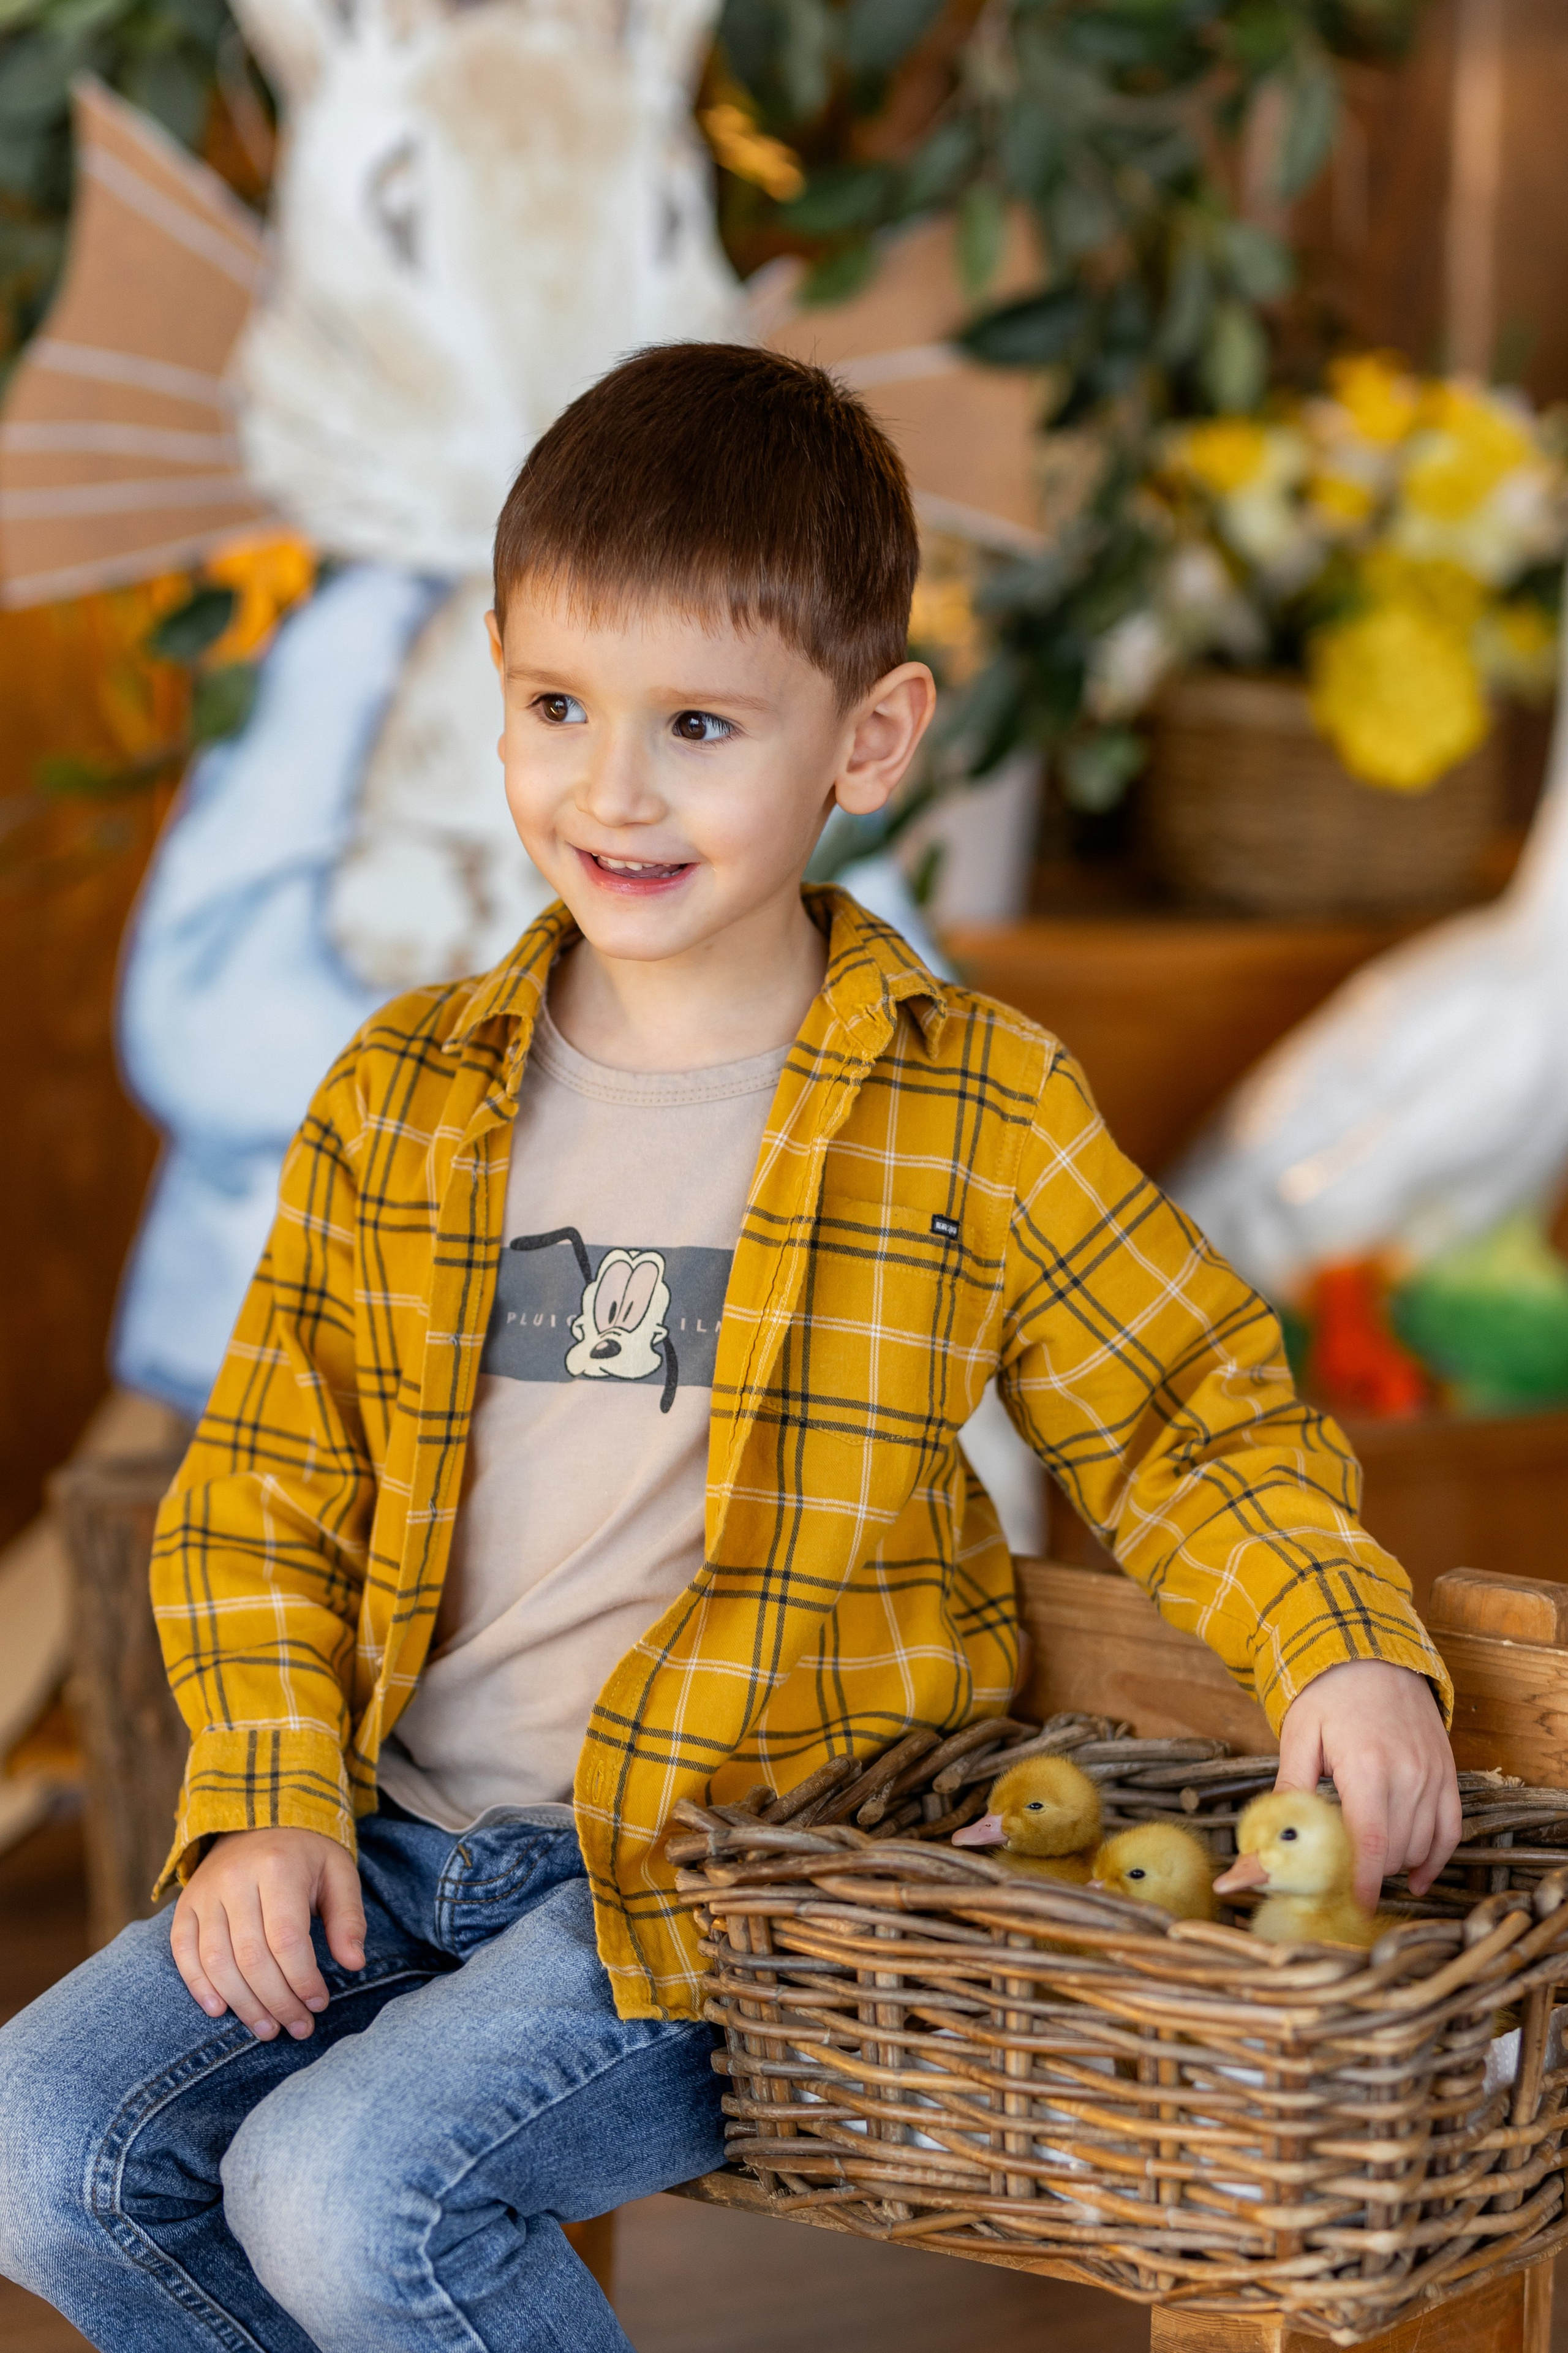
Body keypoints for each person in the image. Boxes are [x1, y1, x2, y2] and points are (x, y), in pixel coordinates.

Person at [0, 344, 1461, 2353]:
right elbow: (265, 1479)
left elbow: (1186, 1411)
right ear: (495, 686)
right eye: (559, 706)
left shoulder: (968, 1107)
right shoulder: (403, 1091)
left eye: (698, 723)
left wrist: (1343, 1644)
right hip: (392, 1838)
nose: (614, 789)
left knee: (346, 2191)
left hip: (719, 1889)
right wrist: (269, 1788)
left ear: (870, 738)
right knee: (42, 2140)